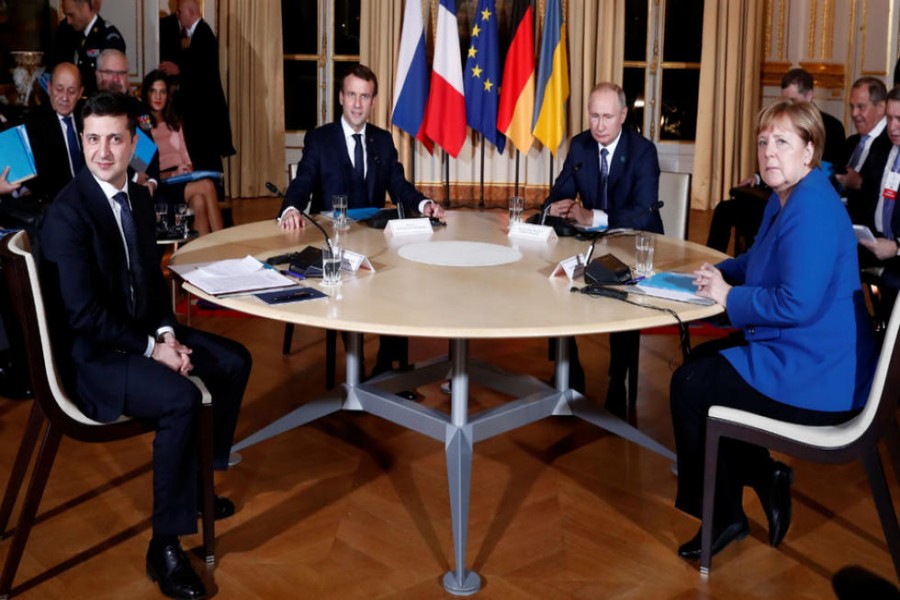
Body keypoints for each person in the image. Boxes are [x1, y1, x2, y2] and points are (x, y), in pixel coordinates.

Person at [40, 91, 252, 599]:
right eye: (93, 139)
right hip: (94, 359)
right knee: (181, 401)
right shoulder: (67, 213)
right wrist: (151, 348)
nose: (104, 152)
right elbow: (83, 316)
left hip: (138, 335)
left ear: (133, 142)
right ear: (84, 142)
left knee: (233, 362)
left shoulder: (136, 197)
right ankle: (165, 545)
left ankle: (199, 485)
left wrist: (166, 334)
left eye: (115, 139)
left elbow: (151, 288)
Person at [670, 99, 877, 562]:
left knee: (690, 385)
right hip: (803, 353)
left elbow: (795, 303)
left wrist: (728, 297)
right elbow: (760, 260)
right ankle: (762, 477)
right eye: (763, 141)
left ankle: (726, 515)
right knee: (700, 369)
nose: (768, 152)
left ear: (809, 151)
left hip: (822, 375)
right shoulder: (788, 197)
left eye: (782, 142)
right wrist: (720, 271)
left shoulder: (814, 209)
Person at [279, 64, 444, 376]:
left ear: (372, 102)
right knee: (350, 288)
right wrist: (290, 208)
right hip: (334, 243)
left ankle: (389, 368)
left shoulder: (382, 140)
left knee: (400, 281)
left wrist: (422, 204)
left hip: (376, 240)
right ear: (341, 97)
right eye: (352, 95)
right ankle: (356, 377)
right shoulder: (320, 139)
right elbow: (303, 182)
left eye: (364, 97)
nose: (357, 103)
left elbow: (398, 185)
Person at [544, 81, 662, 415]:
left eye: (607, 117)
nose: (599, 125)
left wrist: (590, 215)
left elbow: (643, 211)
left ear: (623, 115)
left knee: (621, 296)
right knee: (556, 280)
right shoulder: (581, 145)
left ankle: (618, 378)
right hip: (592, 242)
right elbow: (560, 190)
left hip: (637, 243)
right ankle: (569, 369)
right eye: (594, 116)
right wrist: (557, 206)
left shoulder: (643, 151)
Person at [707, 68, 847, 253]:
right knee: (725, 209)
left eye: (793, 101)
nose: (768, 152)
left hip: (792, 199)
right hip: (773, 194)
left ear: (810, 96)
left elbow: (827, 172)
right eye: (763, 142)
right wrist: (757, 179)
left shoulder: (831, 127)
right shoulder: (780, 126)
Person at [142, 70, 223, 235]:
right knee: (207, 185)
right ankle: (222, 243)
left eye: (162, 92)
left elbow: (184, 154)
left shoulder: (174, 121)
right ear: (146, 93)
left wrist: (188, 167)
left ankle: (202, 257)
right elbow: (144, 170)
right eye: (153, 91)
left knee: (199, 201)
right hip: (162, 185)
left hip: (182, 180)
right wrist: (172, 173)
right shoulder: (143, 125)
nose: (158, 97)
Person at [158, 0, 235, 173]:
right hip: (200, 113)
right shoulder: (197, 33)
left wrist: (178, 70)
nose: (178, 16)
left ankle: (215, 194)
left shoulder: (203, 34)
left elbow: (202, 71)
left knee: (206, 158)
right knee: (203, 157)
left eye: (180, 12)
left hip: (204, 113)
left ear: (190, 12)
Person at [857, 85, 900, 323]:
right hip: (874, 243)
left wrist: (896, 247)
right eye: (889, 118)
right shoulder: (883, 148)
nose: (892, 127)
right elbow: (865, 196)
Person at [96, 49, 161, 197]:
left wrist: (152, 181)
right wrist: (133, 177)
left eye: (121, 73)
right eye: (109, 73)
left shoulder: (138, 108)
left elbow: (150, 148)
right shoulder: (91, 111)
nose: (116, 79)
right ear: (99, 75)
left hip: (143, 188)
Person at [24, 62, 85, 204]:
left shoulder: (88, 116)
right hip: (56, 202)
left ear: (80, 93)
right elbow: (39, 182)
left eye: (71, 91)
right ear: (49, 88)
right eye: (59, 89)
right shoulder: (33, 123)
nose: (65, 97)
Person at [839, 77, 891, 227]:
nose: (854, 113)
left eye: (861, 107)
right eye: (851, 106)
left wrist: (859, 183)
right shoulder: (851, 142)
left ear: (881, 107)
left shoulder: (890, 145)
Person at [49, 0, 125, 97]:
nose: (68, 21)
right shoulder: (65, 31)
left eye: (71, 15)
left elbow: (111, 89)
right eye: (66, 15)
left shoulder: (109, 38)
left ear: (85, 8)